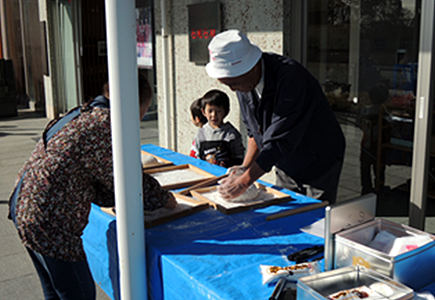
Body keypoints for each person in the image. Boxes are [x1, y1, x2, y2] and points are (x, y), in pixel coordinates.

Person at [7, 74, 176, 300]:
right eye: (143, 111)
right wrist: (166, 199)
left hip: (24, 206)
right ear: (135, 103)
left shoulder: (82, 112)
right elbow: (131, 183)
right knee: (79, 293)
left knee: (55, 292)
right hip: (50, 223)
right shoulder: (108, 126)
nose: (140, 119)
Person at [206, 29, 345, 203]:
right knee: (286, 210)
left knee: (315, 217)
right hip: (284, 161)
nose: (233, 89)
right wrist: (244, 168)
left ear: (252, 66)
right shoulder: (244, 82)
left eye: (233, 83)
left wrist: (243, 182)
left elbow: (280, 140)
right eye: (227, 85)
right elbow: (254, 133)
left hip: (317, 158)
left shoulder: (291, 78)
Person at [189, 89, 245, 168]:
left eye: (218, 111)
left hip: (226, 177)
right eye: (210, 111)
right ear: (203, 112)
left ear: (226, 112)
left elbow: (239, 158)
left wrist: (228, 164)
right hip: (206, 175)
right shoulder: (200, 133)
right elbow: (196, 156)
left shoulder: (231, 134)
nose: (214, 115)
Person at [359, 83, 389, 194]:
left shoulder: (366, 110)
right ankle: (379, 184)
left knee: (365, 167)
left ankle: (366, 187)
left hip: (366, 142)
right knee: (379, 165)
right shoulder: (383, 112)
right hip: (379, 143)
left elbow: (359, 123)